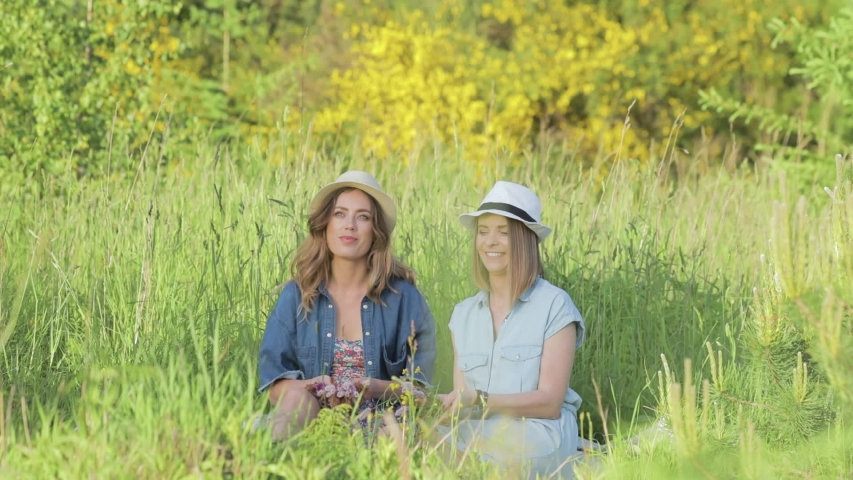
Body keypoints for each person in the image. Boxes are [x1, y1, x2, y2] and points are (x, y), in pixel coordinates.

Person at [258, 170, 437, 441]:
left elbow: (422, 392)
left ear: (376, 232)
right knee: (296, 399)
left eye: (362, 217)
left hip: (382, 428)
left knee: (401, 431)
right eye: (339, 214)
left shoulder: (405, 298)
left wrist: (375, 387)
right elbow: (274, 387)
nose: (349, 225)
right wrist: (317, 387)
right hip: (313, 423)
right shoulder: (297, 295)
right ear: (325, 224)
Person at [437, 181, 586, 478]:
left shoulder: (555, 305)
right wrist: (441, 407)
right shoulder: (463, 315)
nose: (490, 241)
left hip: (538, 432)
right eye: (483, 231)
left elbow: (549, 403)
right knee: (408, 436)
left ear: (524, 240)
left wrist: (478, 399)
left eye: (503, 232)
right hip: (478, 430)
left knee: (484, 466)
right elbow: (463, 401)